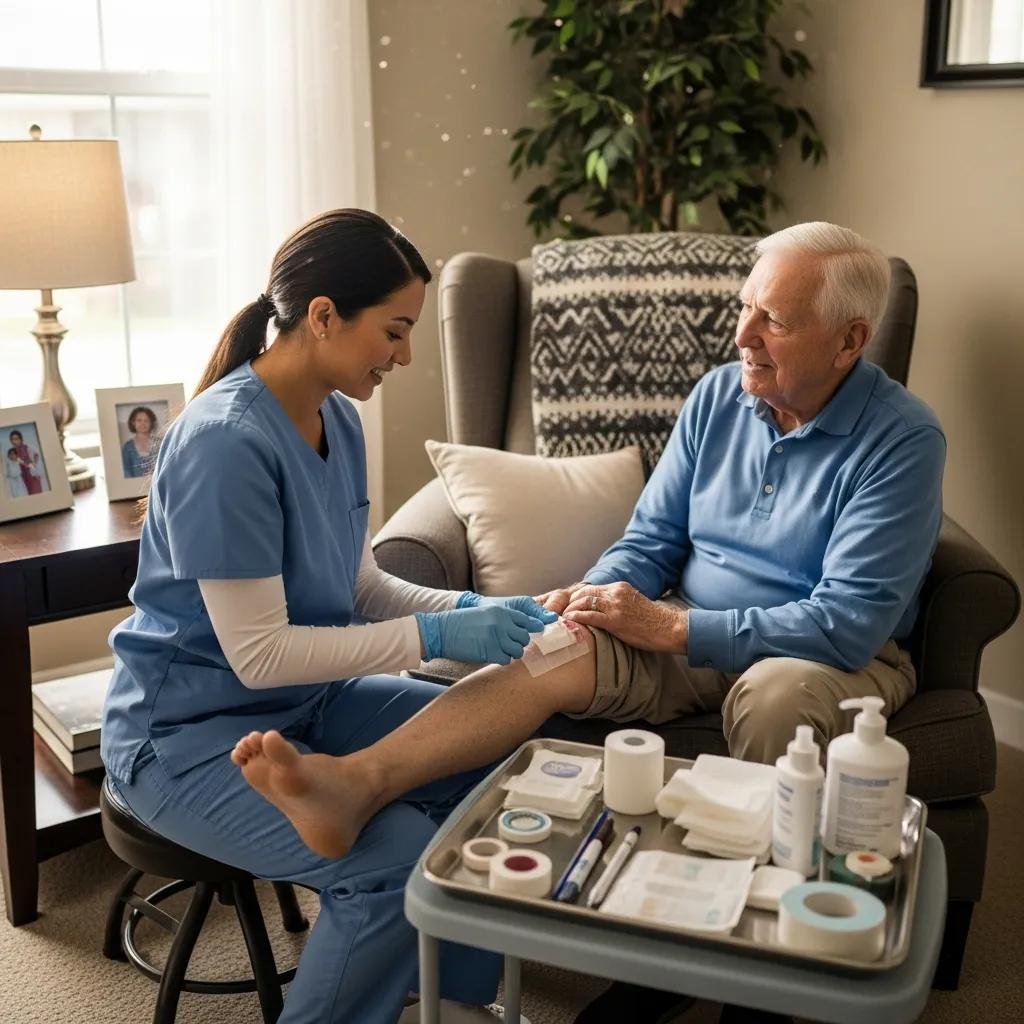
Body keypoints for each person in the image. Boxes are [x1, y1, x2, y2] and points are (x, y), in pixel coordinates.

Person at [227, 222, 945, 1024]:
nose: (741, 335)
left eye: (771, 320)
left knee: (776, 695)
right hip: (694, 625)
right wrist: (595, 596)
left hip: (826, 656)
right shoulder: (719, 397)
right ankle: (358, 783)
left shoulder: (903, 440)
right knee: (553, 647)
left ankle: (758, 973)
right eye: (745, 308)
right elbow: (652, 539)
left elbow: (845, 621)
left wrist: (674, 632)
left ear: (850, 341)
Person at [101, 209, 565, 1024]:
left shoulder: (338, 417)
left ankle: (440, 998)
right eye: (394, 330)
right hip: (188, 737)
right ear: (322, 316)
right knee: (389, 862)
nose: (405, 355)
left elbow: (360, 591)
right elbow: (258, 656)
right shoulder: (224, 443)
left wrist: (471, 609)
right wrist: (437, 636)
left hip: (308, 705)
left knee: (503, 758)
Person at [120, 405, 161, 478]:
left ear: (151, 423)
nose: (143, 424)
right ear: (133, 422)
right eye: (139, 420)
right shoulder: (127, 447)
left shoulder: (160, 443)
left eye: (146, 420)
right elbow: (126, 472)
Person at [8, 430, 46, 495]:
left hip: (33, 477)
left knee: (36, 495)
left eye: (16, 439)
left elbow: (36, 457)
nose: (14, 441)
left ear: (21, 439)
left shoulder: (27, 448)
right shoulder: (13, 452)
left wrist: (23, 462)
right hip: (24, 479)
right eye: (12, 439)